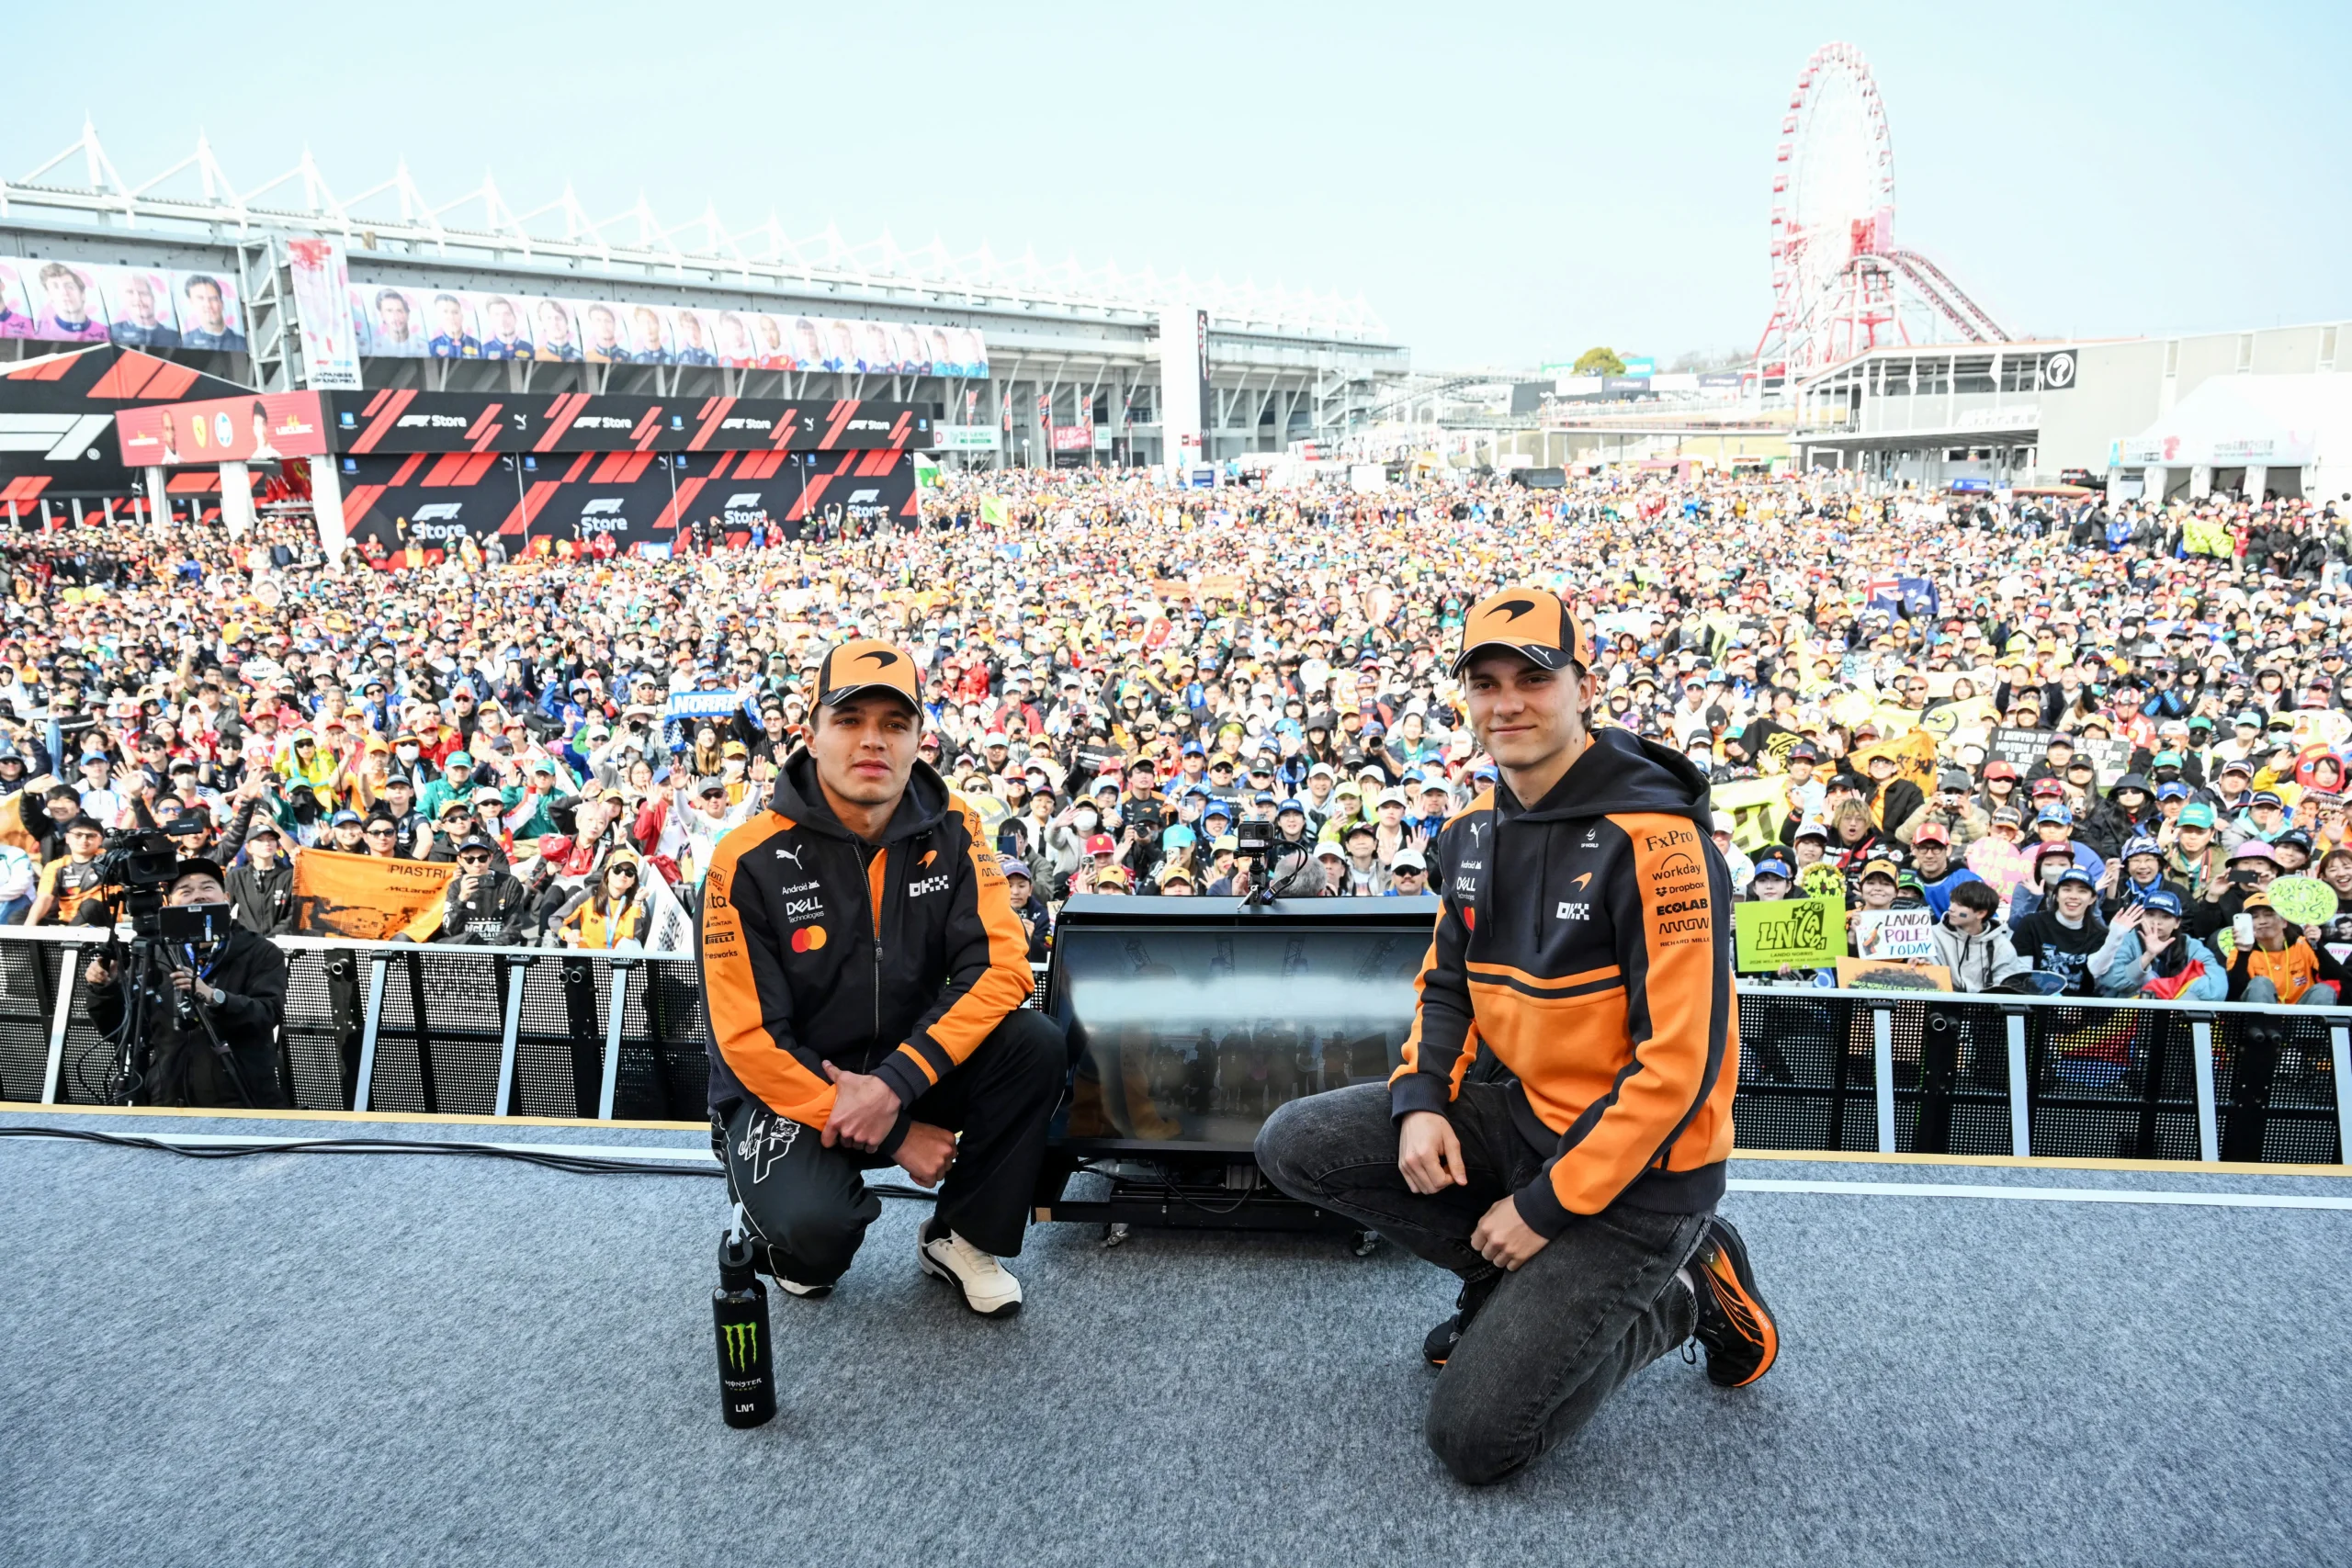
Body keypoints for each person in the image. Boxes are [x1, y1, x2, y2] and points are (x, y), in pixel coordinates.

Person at [1253, 586, 1775, 1488]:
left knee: (1475, 1442)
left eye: (1533, 678)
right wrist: (1421, 1103)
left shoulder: (1661, 847)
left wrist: (1543, 1209)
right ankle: (1513, 1293)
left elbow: (1679, 1067)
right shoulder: (1468, 835)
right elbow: (1446, 986)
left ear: (1584, 688)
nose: (1507, 703)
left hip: (1645, 1180)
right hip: (1528, 1122)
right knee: (1295, 1142)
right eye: (1486, 682)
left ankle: (1686, 1292)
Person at [699, 638, 1067, 1316]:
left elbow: (1001, 967)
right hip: (793, 1089)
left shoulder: (957, 827)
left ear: (920, 740)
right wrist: (896, 1135)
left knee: (1034, 1043)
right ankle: (775, 1214)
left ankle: (960, 1234)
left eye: (894, 723)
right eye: (849, 719)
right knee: (813, 1243)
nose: (873, 740)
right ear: (810, 734)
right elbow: (748, 1039)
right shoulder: (744, 857)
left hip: (909, 1070)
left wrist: (894, 1085)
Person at [81, 857, 288, 1108]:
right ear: (170, 903)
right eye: (185, 891)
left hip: (241, 1097)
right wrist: (105, 989)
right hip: (167, 1098)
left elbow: (267, 1014)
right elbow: (125, 1031)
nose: (198, 895)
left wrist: (214, 996)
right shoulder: (154, 952)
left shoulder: (261, 951)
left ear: (226, 897)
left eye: (207, 887)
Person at [2092, 891, 2226, 1001]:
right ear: (2142, 916)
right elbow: (2112, 980)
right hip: (2131, 1012)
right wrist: (2147, 957)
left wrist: (2172, 993)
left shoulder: (2191, 946)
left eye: (2165, 917)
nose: (2156, 922)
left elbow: (2218, 987)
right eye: (2150, 915)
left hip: (2176, 1012)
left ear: (2177, 923)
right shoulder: (2126, 940)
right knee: (2148, 977)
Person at [1929, 879, 2032, 992]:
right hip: (1942, 1001)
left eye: (1959, 905)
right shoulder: (1932, 935)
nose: (1951, 908)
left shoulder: (2002, 946)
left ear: (1981, 913)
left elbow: (2004, 989)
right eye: (1952, 902)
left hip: (1986, 1003)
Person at [435, 834, 529, 943]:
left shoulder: (509, 883)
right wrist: (461, 900)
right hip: (467, 946)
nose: (477, 864)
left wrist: (489, 949)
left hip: (499, 947)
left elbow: (513, 928)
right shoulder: (455, 886)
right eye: (470, 859)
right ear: (460, 860)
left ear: (491, 858)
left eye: (482, 858)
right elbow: (450, 931)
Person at [226, 821, 296, 936]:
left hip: (280, 942)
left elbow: (294, 915)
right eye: (260, 840)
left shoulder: (289, 876)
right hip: (247, 943)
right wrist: (242, 935)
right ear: (248, 847)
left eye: (271, 839)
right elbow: (223, 910)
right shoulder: (236, 877)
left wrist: (271, 937)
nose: (267, 843)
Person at [177, 274, 245, 351]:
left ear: (221, 303)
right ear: (191, 303)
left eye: (213, 299)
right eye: (200, 298)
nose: (208, 305)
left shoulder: (241, 343)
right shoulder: (185, 343)